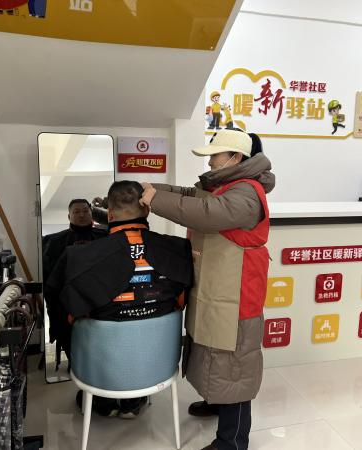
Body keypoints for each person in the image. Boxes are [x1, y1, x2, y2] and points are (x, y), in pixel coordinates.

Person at [140, 129, 275, 450]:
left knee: (234, 364)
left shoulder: (247, 192)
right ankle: (217, 401)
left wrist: (154, 199)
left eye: (216, 155)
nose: (211, 161)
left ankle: (232, 441)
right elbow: (191, 195)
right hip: (217, 286)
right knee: (212, 350)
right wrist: (147, 189)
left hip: (238, 295)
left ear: (236, 158)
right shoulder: (223, 186)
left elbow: (206, 213)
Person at [46, 181, 193, 419]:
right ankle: (133, 401)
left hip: (98, 367)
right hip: (158, 363)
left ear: (109, 215)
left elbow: (60, 309)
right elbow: (181, 301)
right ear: (147, 210)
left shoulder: (78, 258)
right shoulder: (178, 249)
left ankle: (103, 400)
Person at [42, 199, 107, 369]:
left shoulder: (106, 236)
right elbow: (51, 280)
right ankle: (76, 363)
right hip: (67, 300)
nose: (82, 215)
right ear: (69, 216)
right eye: (77, 212)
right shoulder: (53, 241)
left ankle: (98, 366)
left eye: (86, 211)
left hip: (100, 298)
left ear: (92, 213)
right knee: (66, 329)